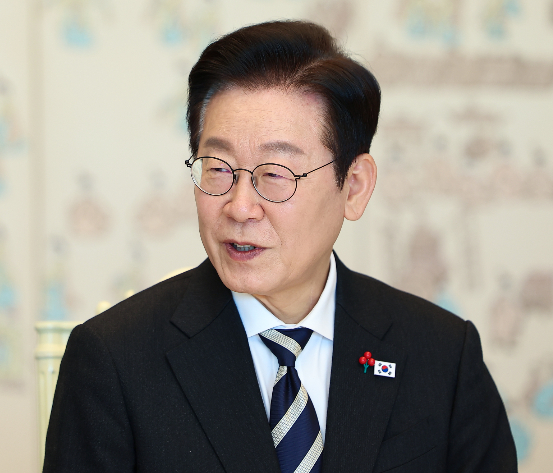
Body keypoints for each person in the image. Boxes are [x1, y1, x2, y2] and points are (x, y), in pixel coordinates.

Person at [43, 20, 517, 473]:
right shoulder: (114, 360)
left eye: (275, 173)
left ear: (354, 186)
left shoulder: (442, 357)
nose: (239, 207)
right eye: (217, 168)